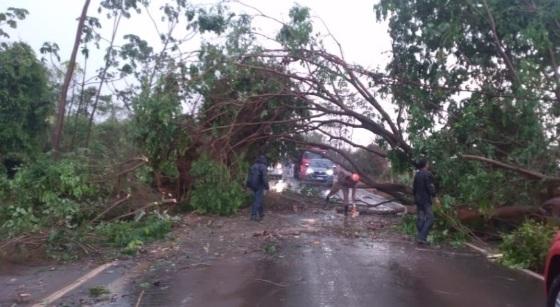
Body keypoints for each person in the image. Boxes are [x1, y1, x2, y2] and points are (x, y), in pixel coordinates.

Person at [413, 158, 436, 245]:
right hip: (426, 200)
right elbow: (430, 187)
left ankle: (421, 238)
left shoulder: (417, 174)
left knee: (421, 218)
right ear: (425, 164)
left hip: (418, 200)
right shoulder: (428, 174)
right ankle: (421, 237)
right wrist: (434, 196)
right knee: (430, 218)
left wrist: (415, 199)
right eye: (428, 163)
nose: (429, 164)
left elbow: (414, 189)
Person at [246, 155, 270, 221]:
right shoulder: (263, 167)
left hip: (252, 185)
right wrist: (267, 187)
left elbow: (248, 177)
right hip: (259, 185)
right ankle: (253, 215)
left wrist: (248, 186)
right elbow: (264, 178)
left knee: (259, 200)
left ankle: (261, 214)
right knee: (257, 201)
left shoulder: (253, 166)